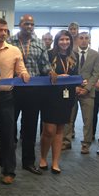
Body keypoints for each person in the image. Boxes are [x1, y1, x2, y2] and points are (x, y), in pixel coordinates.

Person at [8, 14, 53, 175]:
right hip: (13, 90)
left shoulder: (40, 43)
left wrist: (52, 73)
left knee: (30, 128)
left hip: (33, 91)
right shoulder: (9, 42)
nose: (29, 26)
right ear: (19, 24)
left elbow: (45, 66)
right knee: (9, 127)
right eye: (26, 23)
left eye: (32, 24)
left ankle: (28, 162)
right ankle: (8, 164)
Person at [0, 18, 30, 185]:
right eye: (0, 30)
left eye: (6, 30)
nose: (3, 33)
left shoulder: (14, 50)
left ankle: (8, 170)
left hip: (6, 98)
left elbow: (21, 70)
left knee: (7, 135)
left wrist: (24, 75)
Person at [39, 30, 78, 173]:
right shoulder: (49, 55)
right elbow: (42, 74)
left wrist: (80, 81)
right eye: (61, 39)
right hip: (50, 96)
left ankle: (55, 162)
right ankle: (43, 157)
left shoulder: (75, 56)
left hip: (67, 97)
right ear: (57, 41)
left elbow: (75, 76)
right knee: (49, 130)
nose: (65, 42)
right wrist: (58, 76)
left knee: (60, 129)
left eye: (67, 39)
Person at [63, 32, 99, 154]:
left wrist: (87, 88)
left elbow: (96, 74)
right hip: (72, 90)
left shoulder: (95, 54)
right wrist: (74, 87)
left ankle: (86, 144)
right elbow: (68, 71)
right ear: (77, 40)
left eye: (86, 38)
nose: (84, 40)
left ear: (89, 40)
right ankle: (66, 141)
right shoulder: (71, 53)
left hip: (88, 92)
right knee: (68, 117)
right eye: (81, 38)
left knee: (88, 119)